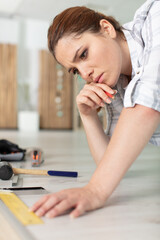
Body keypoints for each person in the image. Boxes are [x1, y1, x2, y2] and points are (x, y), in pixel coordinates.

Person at [30, 0, 160, 218]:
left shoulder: (156, 17)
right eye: (75, 71)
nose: (84, 74)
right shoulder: (116, 80)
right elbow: (110, 162)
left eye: (83, 55)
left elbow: (146, 106)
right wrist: (87, 115)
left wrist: (95, 191)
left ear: (107, 29)